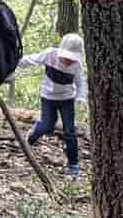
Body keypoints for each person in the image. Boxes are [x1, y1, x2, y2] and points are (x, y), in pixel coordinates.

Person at [15, 33, 87, 179]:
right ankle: (30, 139)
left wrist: (81, 98)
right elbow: (31, 60)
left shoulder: (76, 66)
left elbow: (80, 83)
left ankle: (73, 164)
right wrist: (12, 62)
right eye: (66, 57)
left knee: (70, 131)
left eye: (71, 59)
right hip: (48, 97)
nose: (68, 61)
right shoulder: (50, 55)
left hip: (67, 99)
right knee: (47, 125)